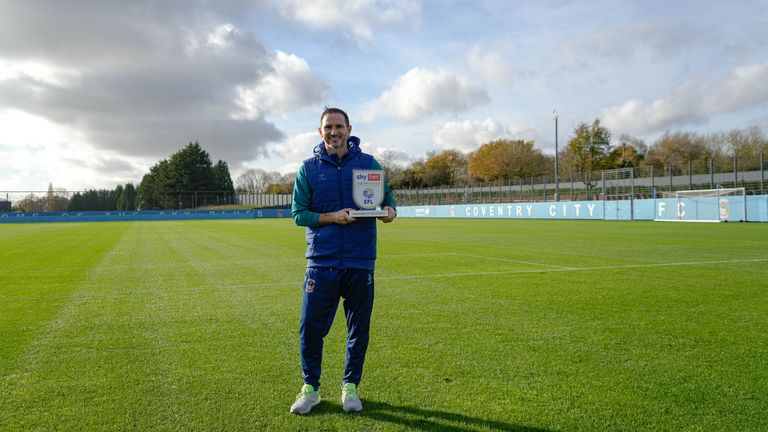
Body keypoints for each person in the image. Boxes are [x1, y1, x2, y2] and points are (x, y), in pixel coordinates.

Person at [289, 107, 397, 415]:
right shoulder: (308, 169)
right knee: (310, 328)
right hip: (321, 263)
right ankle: (310, 389)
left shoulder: (368, 164)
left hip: (360, 261)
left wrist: (390, 211)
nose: (333, 132)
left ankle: (350, 387)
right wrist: (331, 217)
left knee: (358, 329)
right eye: (328, 127)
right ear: (319, 131)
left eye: (339, 126)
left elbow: (388, 199)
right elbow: (298, 214)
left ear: (349, 129)